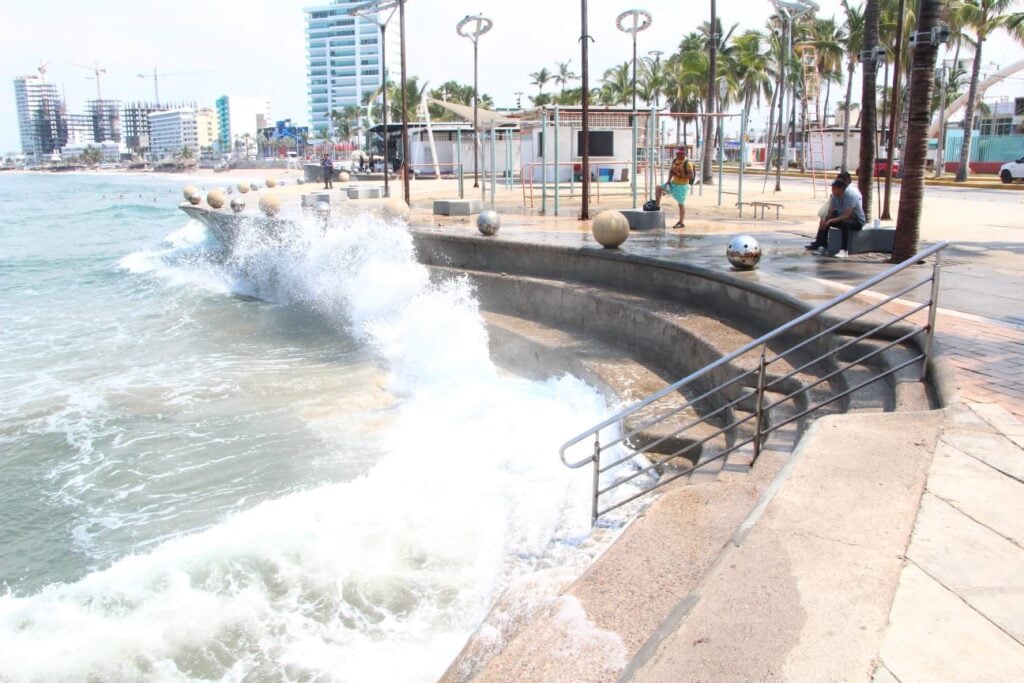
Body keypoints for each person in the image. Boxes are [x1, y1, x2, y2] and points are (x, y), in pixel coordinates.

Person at [806, 174, 866, 258]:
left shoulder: (850, 195)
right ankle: (822, 246)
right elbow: (830, 211)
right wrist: (826, 220)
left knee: (845, 223)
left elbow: (847, 215)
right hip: (843, 217)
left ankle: (843, 250)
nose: (832, 190)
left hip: (856, 221)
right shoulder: (834, 196)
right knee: (826, 221)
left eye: (834, 188)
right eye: (832, 188)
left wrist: (831, 220)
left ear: (841, 189)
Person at [654, 146, 695, 228]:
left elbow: (691, 176)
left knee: (681, 204)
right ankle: (657, 206)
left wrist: (680, 175)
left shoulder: (688, 163)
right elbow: (671, 171)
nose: (678, 155)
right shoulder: (675, 161)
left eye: (680, 153)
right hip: (673, 184)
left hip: (682, 186)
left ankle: (681, 222)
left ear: (683, 154)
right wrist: (668, 181)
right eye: (677, 153)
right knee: (658, 187)